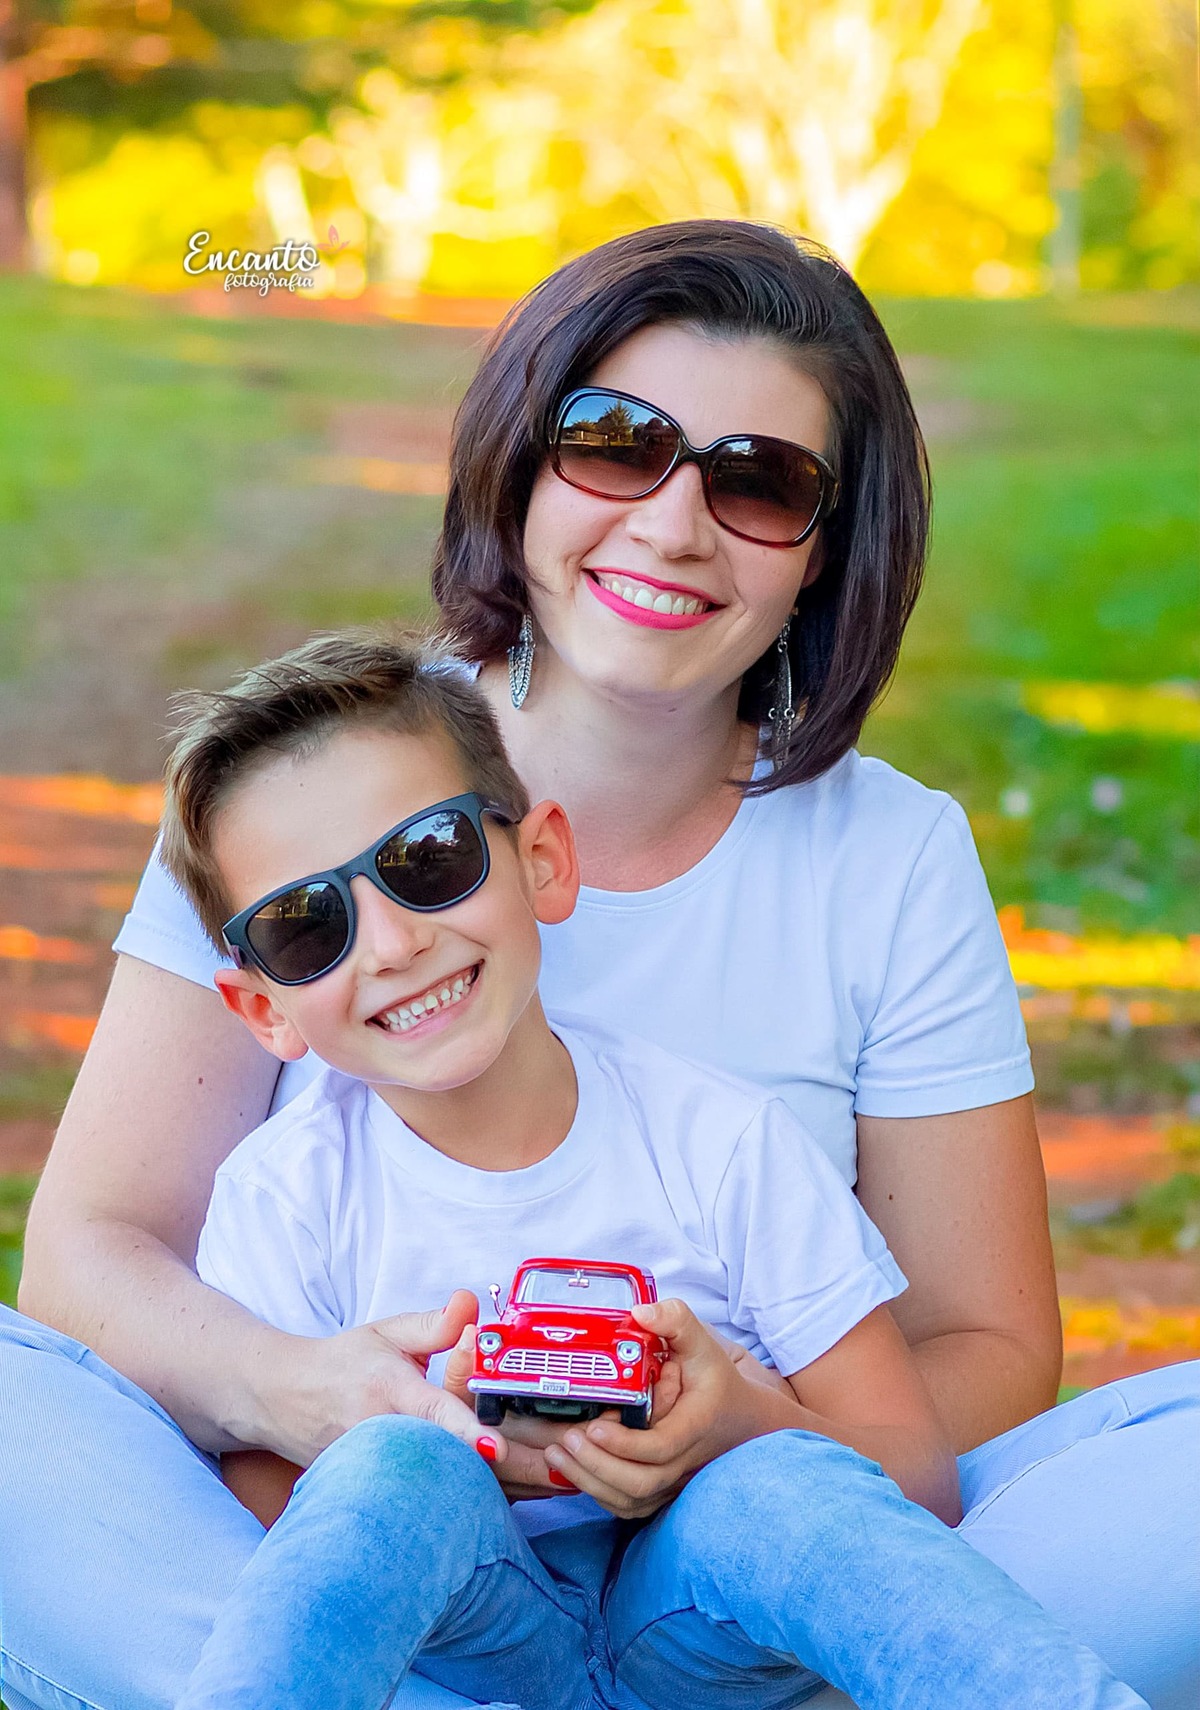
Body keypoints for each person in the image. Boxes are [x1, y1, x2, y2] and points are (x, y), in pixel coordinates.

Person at [2, 220, 1196, 1710]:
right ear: (521, 465)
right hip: (398, 1581)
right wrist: (313, 1396)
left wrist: (735, 1428)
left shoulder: (887, 854)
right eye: (616, 444)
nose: (677, 523)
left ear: (830, 549)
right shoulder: (313, 795)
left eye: (760, 481)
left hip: (763, 1585)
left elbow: (989, 1353)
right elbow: (88, 1261)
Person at [163, 629, 1140, 1710]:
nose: (392, 944)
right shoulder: (287, 1195)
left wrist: (732, 1423)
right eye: (307, 929)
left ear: (543, 861)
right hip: (467, 1641)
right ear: (265, 1010)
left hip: (705, 1628)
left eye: (428, 858)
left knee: (771, 1486)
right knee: (397, 1470)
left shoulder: (723, 1144)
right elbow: (259, 1499)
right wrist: (436, 1447)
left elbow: (914, 1473)